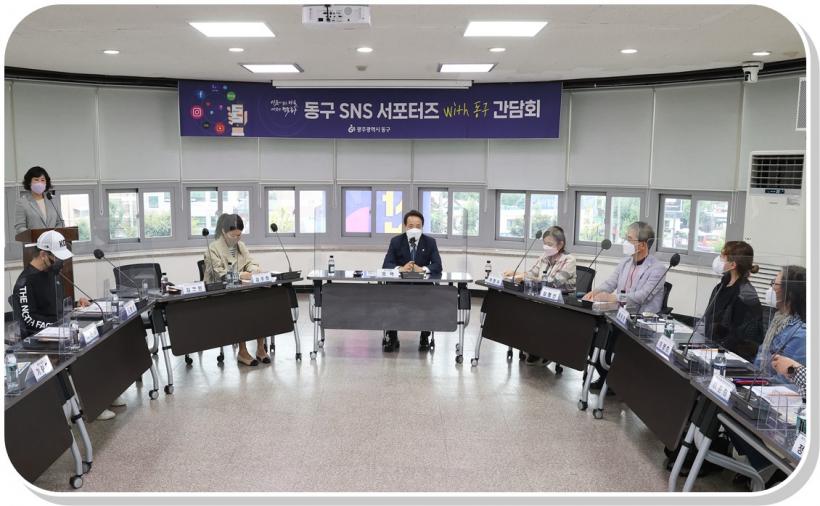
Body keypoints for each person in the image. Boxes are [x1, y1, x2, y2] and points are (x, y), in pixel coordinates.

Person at [10, 231, 125, 420]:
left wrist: (76, 305)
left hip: (61, 332)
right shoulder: (25, 282)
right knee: (83, 353)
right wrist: (58, 327)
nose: (60, 263)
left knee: (99, 342)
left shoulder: (52, 273)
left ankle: (106, 394)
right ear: (43, 254)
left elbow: (57, 306)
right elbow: (28, 320)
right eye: (56, 257)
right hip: (39, 340)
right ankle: (92, 404)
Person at [583, 222, 667, 389]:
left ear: (643, 245)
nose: (625, 243)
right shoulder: (625, 262)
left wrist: (614, 297)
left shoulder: (657, 269)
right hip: (618, 316)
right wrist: (594, 292)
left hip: (640, 322)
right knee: (594, 339)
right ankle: (606, 378)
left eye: (629, 239)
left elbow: (643, 296)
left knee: (610, 344)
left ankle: (617, 383)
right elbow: (610, 283)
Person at [503, 225, 577, 365]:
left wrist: (526, 278)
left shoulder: (569, 260)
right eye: (545, 243)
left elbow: (554, 282)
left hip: (561, 301)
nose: (546, 247)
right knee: (522, 309)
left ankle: (544, 351)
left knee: (537, 313)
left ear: (560, 244)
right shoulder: (544, 257)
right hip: (541, 297)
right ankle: (531, 347)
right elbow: (532, 273)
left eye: (550, 244)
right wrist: (516, 273)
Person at [203, 213, 270, 366]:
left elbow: (251, 263)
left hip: (241, 290)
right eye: (233, 236)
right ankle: (242, 351)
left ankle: (261, 348)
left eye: (239, 235)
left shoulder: (241, 246)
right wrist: (241, 275)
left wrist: (254, 271)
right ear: (223, 232)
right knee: (241, 306)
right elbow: (220, 275)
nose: (236, 239)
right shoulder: (212, 249)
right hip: (220, 294)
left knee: (262, 302)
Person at [381, 209, 443, 352]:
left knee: (429, 299)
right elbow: (386, 264)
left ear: (422, 227)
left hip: (422, 287)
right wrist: (401, 268)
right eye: (410, 226)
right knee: (389, 298)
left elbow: (438, 265)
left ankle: (424, 336)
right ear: (405, 226)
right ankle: (392, 336)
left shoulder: (430, 242)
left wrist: (422, 269)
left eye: (418, 226)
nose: (414, 229)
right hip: (399, 286)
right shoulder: (396, 241)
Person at [697, 241, 764, 361]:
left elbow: (742, 337)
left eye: (723, 256)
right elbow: (710, 319)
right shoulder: (721, 286)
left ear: (733, 264)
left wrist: (715, 351)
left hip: (731, 356)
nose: (719, 259)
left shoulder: (745, 294)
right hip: (712, 348)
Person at [752, 265, 806, 381]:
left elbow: (786, 379)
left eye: (775, 284)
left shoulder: (801, 333)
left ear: (790, 293)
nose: (771, 289)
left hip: (774, 388)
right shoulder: (778, 319)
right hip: (761, 383)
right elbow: (760, 359)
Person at [14, 166, 64, 233]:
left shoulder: (53, 200)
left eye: (42, 180)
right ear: (29, 182)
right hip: (34, 239)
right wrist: (33, 234)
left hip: (53, 239)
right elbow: (19, 227)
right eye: (36, 180)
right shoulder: (22, 202)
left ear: (46, 182)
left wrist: (53, 234)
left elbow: (60, 222)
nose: (40, 183)